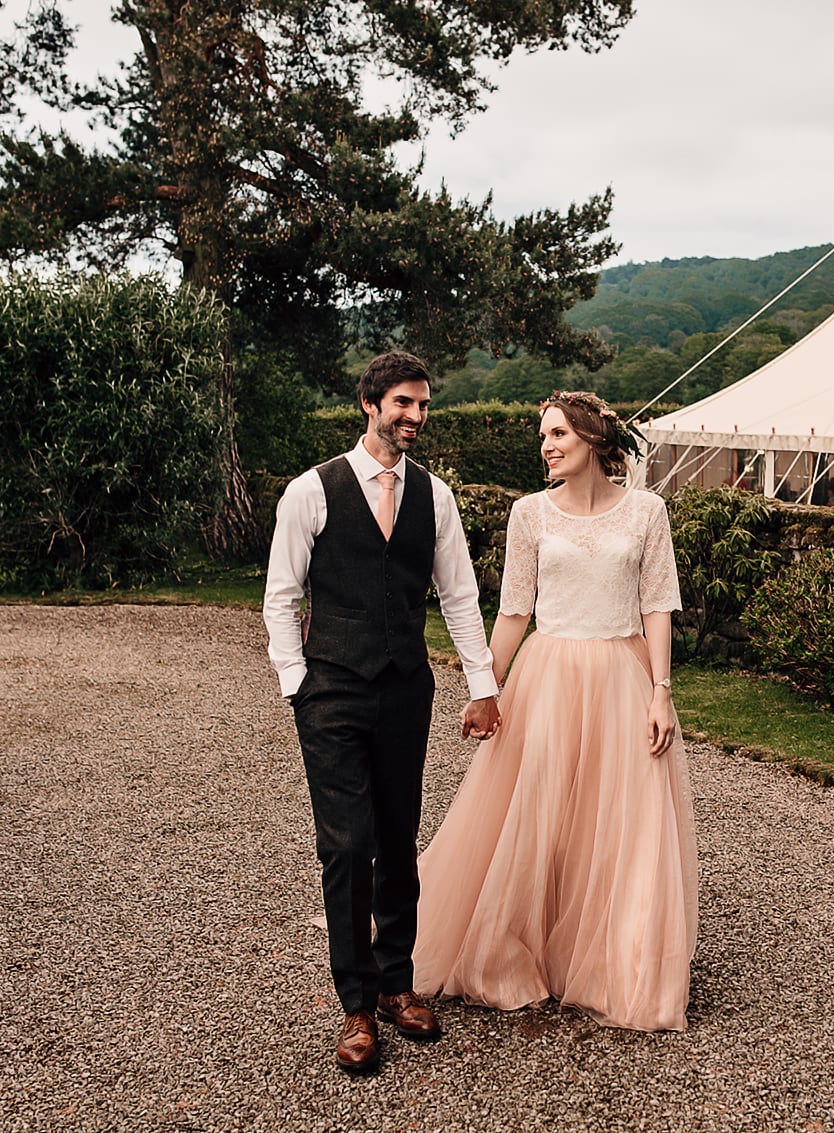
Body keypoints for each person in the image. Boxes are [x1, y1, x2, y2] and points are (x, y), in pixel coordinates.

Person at [411, 390, 699, 1032]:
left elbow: (657, 604)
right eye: (543, 436)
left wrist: (661, 691)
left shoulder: (648, 512)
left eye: (559, 434)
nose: (546, 446)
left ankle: (616, 962)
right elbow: (513, 609)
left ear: (594, 440)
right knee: (537, 817)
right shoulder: (529, 515)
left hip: (623, 680)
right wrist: (485, 686)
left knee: (620, 821)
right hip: (547, 678)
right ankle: (516, 950)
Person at [262, 350, 501, 1075]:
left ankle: (398, 982)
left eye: (424, 405)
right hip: (330, 689)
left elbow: (459, 595)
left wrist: (482, 682)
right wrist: (296, 683)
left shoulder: (438, 497)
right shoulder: (312, 490)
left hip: (405, 687)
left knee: (398, 836)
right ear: (369, 404)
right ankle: (356, 1003)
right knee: (346, 844)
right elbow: (281, 595)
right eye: (403, 403)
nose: (416, 417)